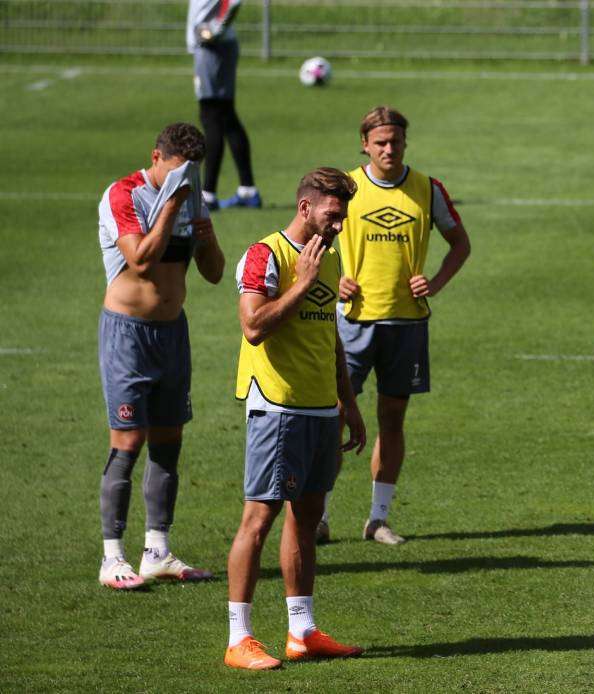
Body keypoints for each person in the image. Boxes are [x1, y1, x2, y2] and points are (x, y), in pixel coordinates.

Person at [224, 168, 367, 670]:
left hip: (321, 407)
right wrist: (302, 284)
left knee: (305, 519)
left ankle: (301, 631)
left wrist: (348, 403)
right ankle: (238, 637)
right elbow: (253, 326)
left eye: (344, 213)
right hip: (278, 407)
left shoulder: (328, 257)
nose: (340, 222)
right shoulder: (267, 254)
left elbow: (329, 337)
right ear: (305, 207)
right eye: (333, 213)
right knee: (258, 519)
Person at [327, 106, 471, 545]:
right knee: (332, 418)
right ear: (365, 145)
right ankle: (320, 514)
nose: (389, 149)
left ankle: (378, 519)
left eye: (396, 141)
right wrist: (336, 281)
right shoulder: (345, 189)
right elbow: (313, 240)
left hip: (406, 324)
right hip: (353, 322)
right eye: (380, 142)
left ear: (405, 142)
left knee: (392, 420)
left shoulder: (427, 189)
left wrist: (436, 283)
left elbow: (460, 244)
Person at [96, 122, 223, 589]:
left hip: (172, 334)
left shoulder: (193, 196)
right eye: (175, 172)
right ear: (156, 157)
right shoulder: (123, 195)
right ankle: (112, 557)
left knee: (168, 443)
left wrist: (206, 235)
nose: (183, 182)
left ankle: (157, 551)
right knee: (128, 443)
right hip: (128, 335)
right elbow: (142, 260)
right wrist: (172, 203)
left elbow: (212, 273)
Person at [187, 0, 260, 210]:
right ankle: (248, 190)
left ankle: (208, 194)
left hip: (212, 46)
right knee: (226, 116)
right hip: (216, 45)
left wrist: (216, 28)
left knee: (211, 116)